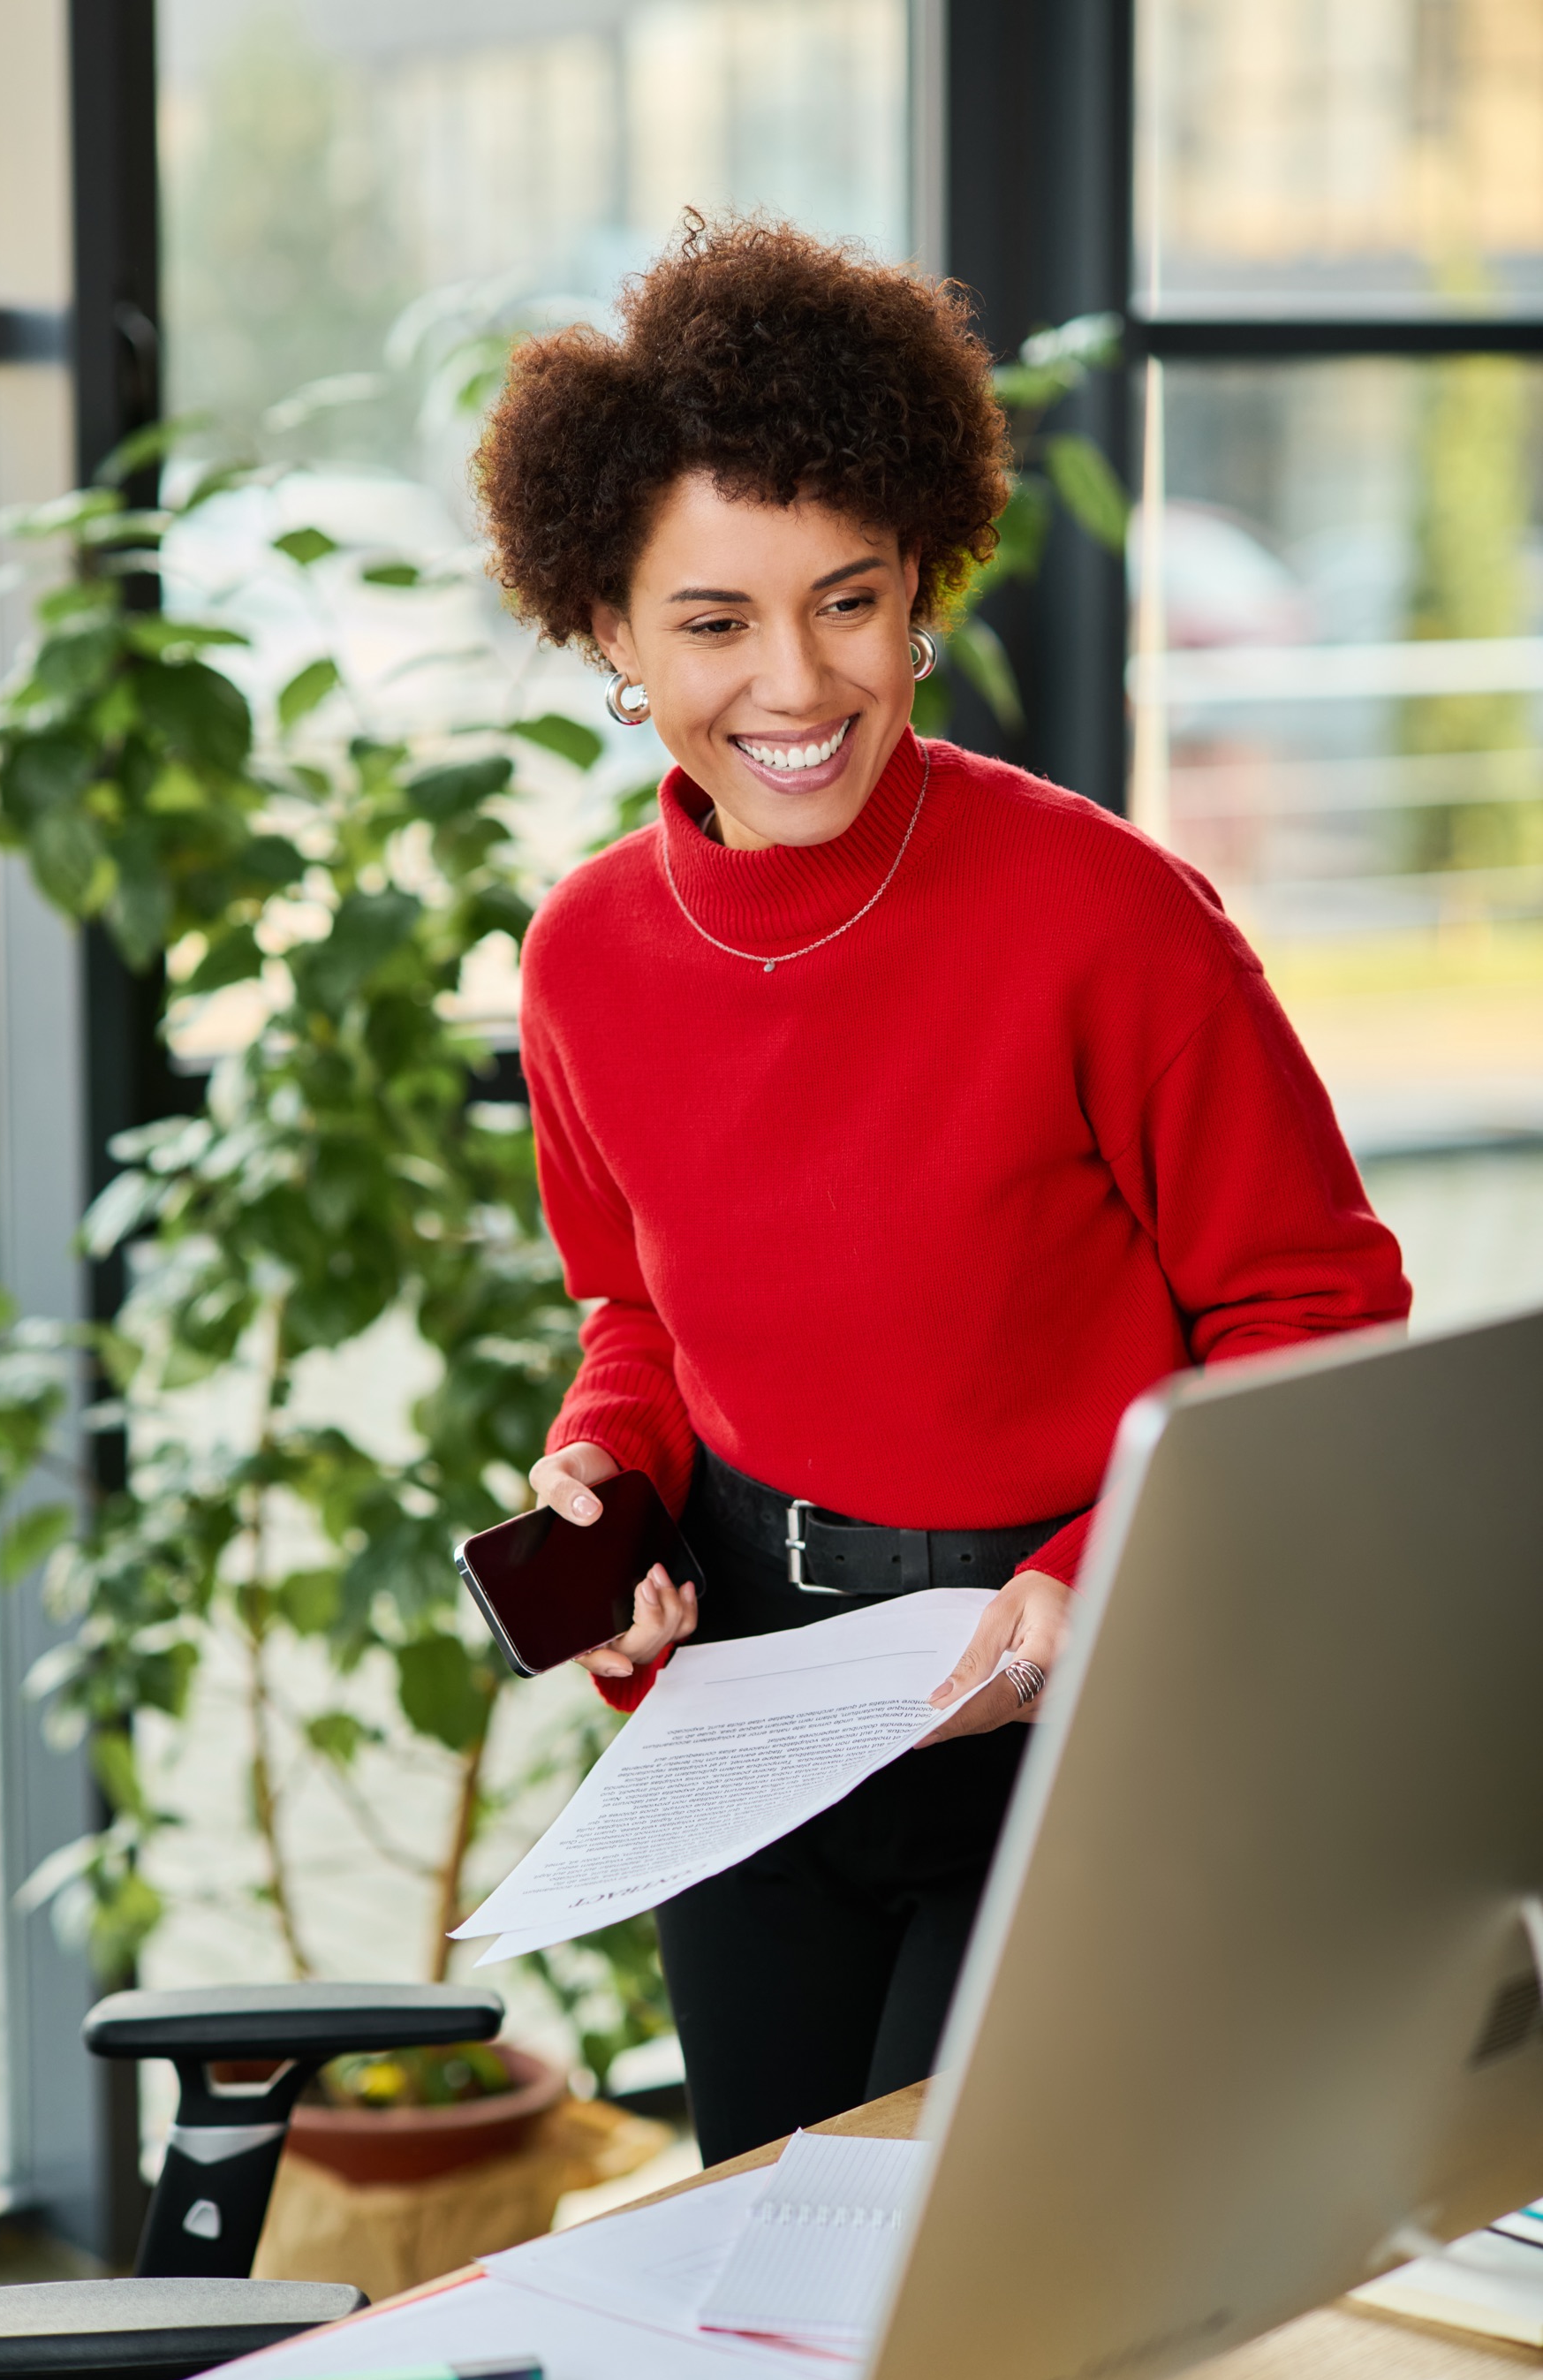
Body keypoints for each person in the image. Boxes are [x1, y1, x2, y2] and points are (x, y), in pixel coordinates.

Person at [475, 215, 1411, 2166]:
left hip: (1072, 1704)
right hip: (746, 1701)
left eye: (850, 600)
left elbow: (1316, 1309)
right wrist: (607, 1490)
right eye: (714, 621)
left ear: (923, 593)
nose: (798, 680)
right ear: (615, 642)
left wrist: (1089, 1580)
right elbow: (635, 1311)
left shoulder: (1109, 918)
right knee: (764, 2246)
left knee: (959, 2268)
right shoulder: (581, 956)